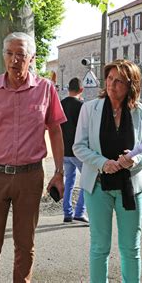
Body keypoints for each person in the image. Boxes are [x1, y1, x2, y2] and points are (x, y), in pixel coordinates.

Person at [0, 32, 66, 282]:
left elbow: (56, 130)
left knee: (25, 246)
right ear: (3, 56)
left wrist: (59, 172)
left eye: (20, 54)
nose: (14, 60)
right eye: (9, 54)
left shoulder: (45, 90)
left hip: (30, 177)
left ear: (32, 58)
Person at [73, 59, 142, 282]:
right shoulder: (90, 108)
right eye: (110, 78)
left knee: (131, 248)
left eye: (119, 81)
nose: (112, 85)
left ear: (131, 84)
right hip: (98, 186)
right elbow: (78, 146)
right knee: (100, 247)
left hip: (130, 188)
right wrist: (102, 162)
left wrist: (135, 160)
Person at [60, 77, 88, 223]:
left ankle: (67, 213)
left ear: (67, 89)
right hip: (79, 151)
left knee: (69, 181)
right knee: (87, 181)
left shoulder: (60, 104)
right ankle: (79, 212)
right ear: (81, 90)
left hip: (63, 151)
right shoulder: (82, 106)